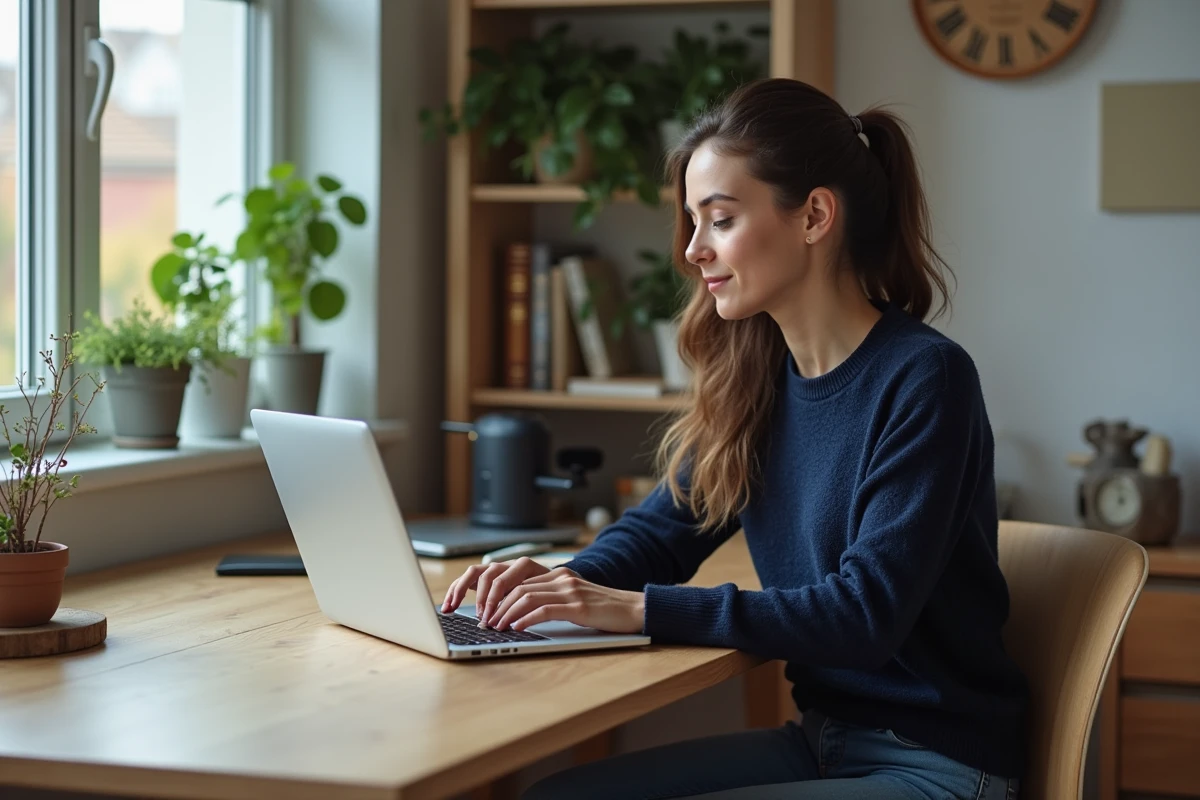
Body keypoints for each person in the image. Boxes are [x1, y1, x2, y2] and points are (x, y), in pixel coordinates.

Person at [441, 77, 1029, 800]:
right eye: (691, 222)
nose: (692, 251)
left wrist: (637, 609)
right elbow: (660, 534)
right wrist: (560, 586)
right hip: (822, 744)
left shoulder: (925, 379)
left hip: (934, 765)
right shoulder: (756, 378)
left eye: (718, 220)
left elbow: (863, 617)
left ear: (814, 215)